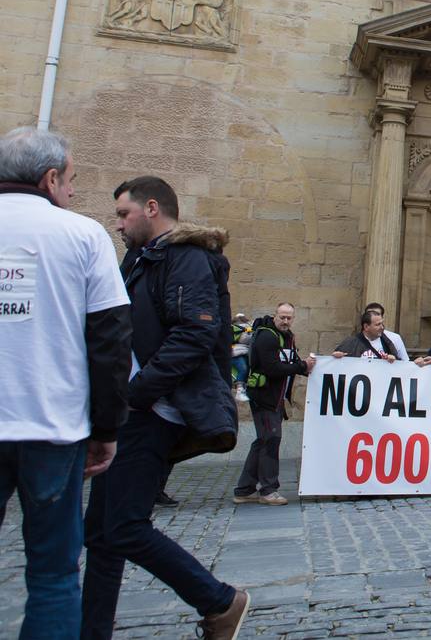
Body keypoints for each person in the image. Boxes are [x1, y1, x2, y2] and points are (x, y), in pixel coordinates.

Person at [85, 175, 247, 639]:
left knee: (123, 528)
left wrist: (136, 393)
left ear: (151, 207)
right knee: (100, 533)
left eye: (123, 214)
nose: (117, 224)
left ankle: (219, 600)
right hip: (132, 409)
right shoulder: (140, 259)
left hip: (152, 412)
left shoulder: (188, 258)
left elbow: (195, 334)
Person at [0, 127, 131, 638]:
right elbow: (110, 342)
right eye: (72, 180)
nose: (73, 192)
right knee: (53, 574)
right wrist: (106, 429)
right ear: (50, 178)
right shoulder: (82, 235)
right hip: (54, 427)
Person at [232, 303, 313, 506]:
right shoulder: (267, 336)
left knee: (263, 440)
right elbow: (272, 367)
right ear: (275, 315)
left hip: (273, 398)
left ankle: (244, 490)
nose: (285, 321)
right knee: (271, 440)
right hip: (264, 398)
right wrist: (302, 366)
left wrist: (305, 366)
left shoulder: (287, 337)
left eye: (289, 318)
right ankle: (268, 490)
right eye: (282, 317)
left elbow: (289, 363)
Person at [333, 310, 399, 361]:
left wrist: (393, 359)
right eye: (378, 324)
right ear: (366, 326)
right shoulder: (351, 342)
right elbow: (335, 365)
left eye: (382, 323)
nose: (382, 327)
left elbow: (400, 366)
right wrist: (336, 356)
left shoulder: (387, 342)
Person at [230, 312, 252, 402]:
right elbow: (244, 340)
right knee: (243, 369)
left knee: (244, 370)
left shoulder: (231, 328)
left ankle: (242, 389)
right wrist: (249, 332)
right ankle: (239, 390)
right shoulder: (246, 328)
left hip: (236, 352)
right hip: (238, 353)